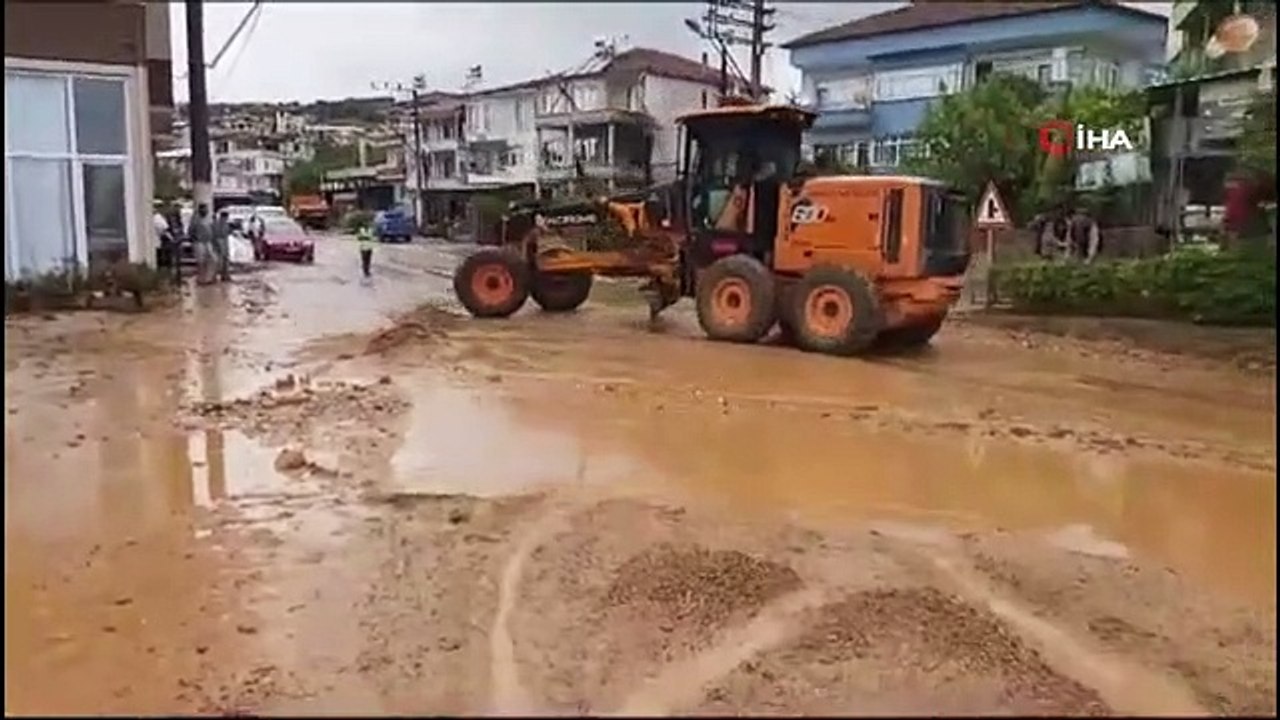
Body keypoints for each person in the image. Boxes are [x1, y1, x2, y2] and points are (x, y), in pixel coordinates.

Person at [214, 210, 232, 281]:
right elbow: (217, 234)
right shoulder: (218, 224)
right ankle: (219, 274)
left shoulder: (225, 224)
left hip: (225, 240)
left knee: (226, 258)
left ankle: (225, 275)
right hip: (220, 240)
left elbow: (227, 232)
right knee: (220, 260)